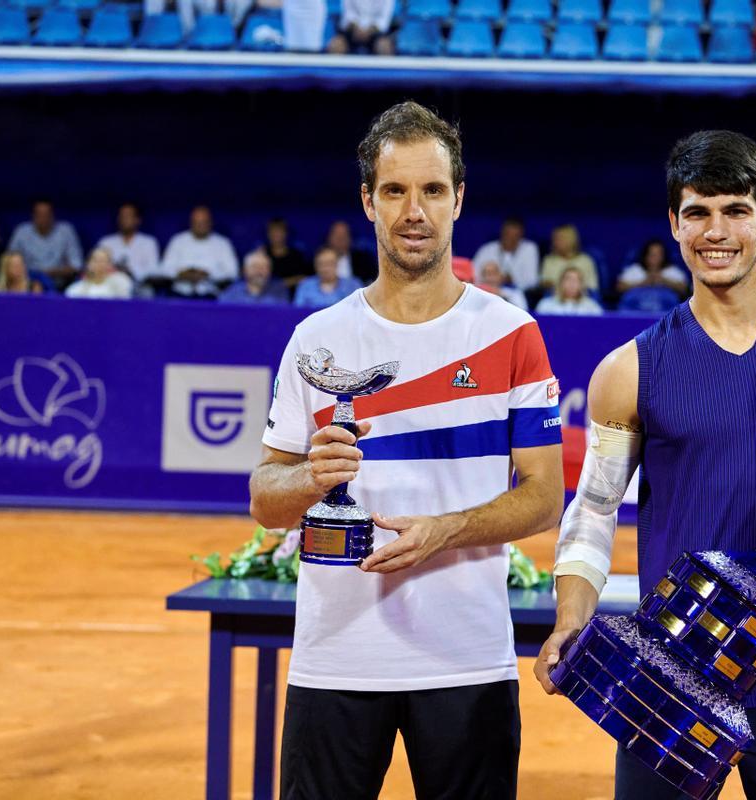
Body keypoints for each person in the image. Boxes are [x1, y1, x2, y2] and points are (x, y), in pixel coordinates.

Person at [535, 129, 756, 800]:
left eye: (735, 209)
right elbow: (592, 509)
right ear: (674, 223)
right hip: (672, 677)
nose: (716, 230)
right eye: (698, 212)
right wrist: (570, 613)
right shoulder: (629, 368)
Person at [252, 101, 563, 800]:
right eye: (394, 191)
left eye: (431, 190)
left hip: (465, 662)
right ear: (368, 202)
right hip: (335, 661)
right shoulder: (315, 339)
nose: (413, 210)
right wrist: (309, 478)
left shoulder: (513, 334)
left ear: (459, 199)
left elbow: (545, 497)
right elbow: (265, 500)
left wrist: (445, 532)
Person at [159, 205, 239, 298]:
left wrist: (208, 274)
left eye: (204, 222)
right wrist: (182, 273)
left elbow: (232, 272)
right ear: (191, 223)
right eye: (197, 222)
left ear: (211, 223)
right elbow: (164, 270)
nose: (200, 226)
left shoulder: (223, 243)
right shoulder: (178, 241)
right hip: (179, 295)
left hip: (211, 296)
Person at [7, 200, 83, 287]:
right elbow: (8, 261)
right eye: (39, 215)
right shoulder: (22, 231)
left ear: (53, 216)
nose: (43, 218)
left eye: (46, 215)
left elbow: (77, 266)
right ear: (33, 216)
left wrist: (52, 273)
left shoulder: (66, 231)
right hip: (27, 282)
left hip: (59, 282)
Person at [96, 203, 160, 283]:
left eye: (128, 216)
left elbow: (154, 270)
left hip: (141, 289)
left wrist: (130, 271)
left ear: (137, 220)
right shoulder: (106, 242)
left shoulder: (149, 242)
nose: (124, 219)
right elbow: (96, 266)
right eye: (122, 216)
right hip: (110, 288)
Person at [472, 217, 541, 291]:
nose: (510, 238)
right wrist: (491, 280)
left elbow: (532, 281)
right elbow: (473, 275)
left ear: (521, 235)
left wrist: (512, 280)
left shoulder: (529, 248)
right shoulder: (487, 249)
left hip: (517, 293)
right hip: (486, 291)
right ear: (502, 232)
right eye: (507, 234)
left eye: (514, 236)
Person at [616, 239, 689, 298]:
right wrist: (643, 283)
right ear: (645, 256)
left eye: (658, 255)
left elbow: (684, 289)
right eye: (652, 254)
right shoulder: (635, 270)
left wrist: (664, 281)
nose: (655, 258)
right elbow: (619, 287)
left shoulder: (672, 271)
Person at [294, 246, 364, 308]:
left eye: (330, 263)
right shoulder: (305, 286)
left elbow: (361, 310)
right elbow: (298, 312)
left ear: (337, 264)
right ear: (315, 266)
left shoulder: (353, 285)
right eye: (321, 264)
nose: (326, 268)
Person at [540, 224, 599, 292]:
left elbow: (592, 288)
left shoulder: (586, 261)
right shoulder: (549, 260)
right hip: (555, 299)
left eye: (560, 239)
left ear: (571, 240)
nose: (555, 242)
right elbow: (544, 283)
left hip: (581, 299)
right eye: (554, 239)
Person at [219, 249, 291, 305]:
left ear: (270, 271)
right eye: (255, 266)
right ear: (245, 270)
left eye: (264, 267)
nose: (260, 271)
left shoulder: (279, 292)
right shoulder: (231, 293)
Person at [327, 0, 396, 54]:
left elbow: (384, 19)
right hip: (352, 29)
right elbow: (348, 14)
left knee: (384, 47)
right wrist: (356, 28)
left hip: (376, 32)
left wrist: (369, 31)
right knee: (335, 46)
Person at [325, 219, 379, 286]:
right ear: (329, 238)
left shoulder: (364, 261)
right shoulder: (317, 261)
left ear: (350, 238)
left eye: (344, 235)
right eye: (337, 235)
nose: (340, 239)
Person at [64, 248, 134, 300]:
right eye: (95, 260)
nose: (100, 264)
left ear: (111, 264)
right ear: (88, 264)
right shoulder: (75, 289)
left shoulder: (121, 281)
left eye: (104, 261)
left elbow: (124, 306)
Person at [262, 217, 311, 290]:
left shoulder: (296, 255)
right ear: (268, 234)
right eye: (273, 231)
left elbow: (303, 278)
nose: (276, 234)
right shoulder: (261, 254)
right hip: (267, 295)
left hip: (292, 296)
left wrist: (279, 284)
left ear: (286, 233)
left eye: (279, 231)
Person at [537, 265, 604, 315]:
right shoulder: (545, 305)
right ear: (560, 283)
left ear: (582, 285)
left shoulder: (592, 307)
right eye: (568, 279)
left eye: (576, 280)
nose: (572, 284)